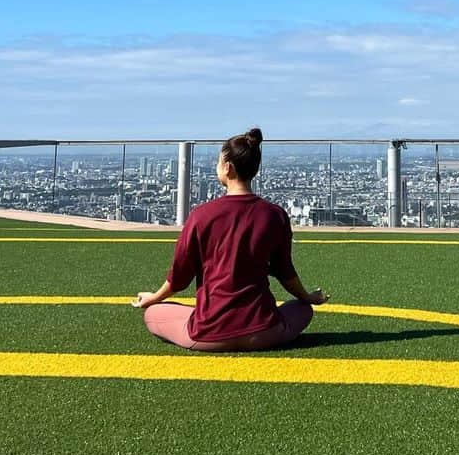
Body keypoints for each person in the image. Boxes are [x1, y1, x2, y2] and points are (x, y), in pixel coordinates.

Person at [133, 127, 328, 352]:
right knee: (303, 309)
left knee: (153, 314)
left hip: (209, 333)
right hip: (265, 331)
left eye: (218, 162)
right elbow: (285, 271)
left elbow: (180, 276)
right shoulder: (275, 215)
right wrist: (307, 297)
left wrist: (154, 298)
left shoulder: (201, 215)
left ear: (228, 167)